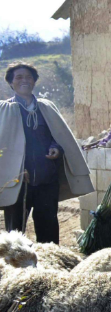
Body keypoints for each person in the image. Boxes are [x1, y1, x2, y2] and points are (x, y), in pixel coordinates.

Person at [1, 62, 93, 243]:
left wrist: (56, 148)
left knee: (48, 229)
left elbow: (60, 136)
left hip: (46, 180)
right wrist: (15, 171)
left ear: (34, 81)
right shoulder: (4, 110)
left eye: (28, 77)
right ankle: (17, 269)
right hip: (18, 182)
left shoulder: (46, 108)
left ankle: (50, 266)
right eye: (18, 77)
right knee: (15, 234)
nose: (24, 81)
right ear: (11, 83)